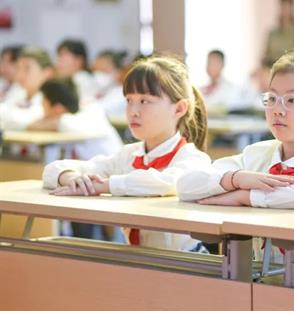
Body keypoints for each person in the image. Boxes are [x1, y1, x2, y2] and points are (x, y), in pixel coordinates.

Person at [177, 51, 294, 279]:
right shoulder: (257, 154)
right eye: (272, 98)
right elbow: (186, 184)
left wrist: (247, 196)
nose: (277, 110)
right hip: (265, 280)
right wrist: (235, 179)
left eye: (292, 100)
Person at [42, 56, 212, 251]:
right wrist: (72, 178)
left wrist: (104, 185)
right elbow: (52, 169)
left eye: (145, 101)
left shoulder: (194, 159)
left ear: (179, 108)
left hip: (187, 262)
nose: (133, 111)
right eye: (129, 100)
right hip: (138, 259)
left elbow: (167, 183)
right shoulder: (127, 156)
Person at [263, 0, 294, 64]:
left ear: (292, 9)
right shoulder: (272, 34)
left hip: (292, 67)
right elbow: (266, 55)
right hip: (273, 66)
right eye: (282, 7)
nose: (285, 11)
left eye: (287, 7)